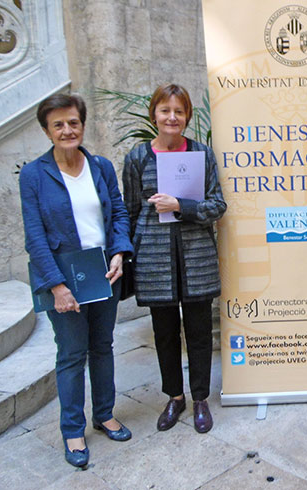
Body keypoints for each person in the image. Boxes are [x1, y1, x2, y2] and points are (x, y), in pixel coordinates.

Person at [19, 94, 133, 468]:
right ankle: (72, 428)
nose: (67, 130)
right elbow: (34, 235)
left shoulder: (99, 166)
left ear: (82, 125)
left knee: (102, 346)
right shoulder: (35, 174)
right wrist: (56, 286)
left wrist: (119, 252)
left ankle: (104, 414)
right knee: (71, 355)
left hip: (104, 272)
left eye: (73, 122)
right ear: (47, 130)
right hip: (63, 279)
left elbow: (117, 212)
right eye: (58, 124)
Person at [123, 83, 226, 434]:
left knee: (198, 333)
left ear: (187, 117)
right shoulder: (138, 158)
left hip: (196, 258)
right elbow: (130, 211)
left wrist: (181, 206)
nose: (171, 117)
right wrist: (130, 252)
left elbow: (217, 206)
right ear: (154, 114)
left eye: (179, 111)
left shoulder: (201, 154)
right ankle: (175, 397)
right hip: (155, 260)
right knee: (164, 333)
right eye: (165, 110)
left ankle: (200, 399)